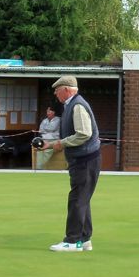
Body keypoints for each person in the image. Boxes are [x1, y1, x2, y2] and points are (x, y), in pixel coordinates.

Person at [44, 76, 101, 252]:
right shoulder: (71, 105)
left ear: (67, 90)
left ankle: (72, 240)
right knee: (82, 198)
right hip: (84, 159)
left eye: (57, 89)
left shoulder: (77, 106)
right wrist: (54, 144)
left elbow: (83, 134)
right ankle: (84, 239)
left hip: (85, 159)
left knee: (77, 199)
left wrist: (61, 143)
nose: (55, 93)